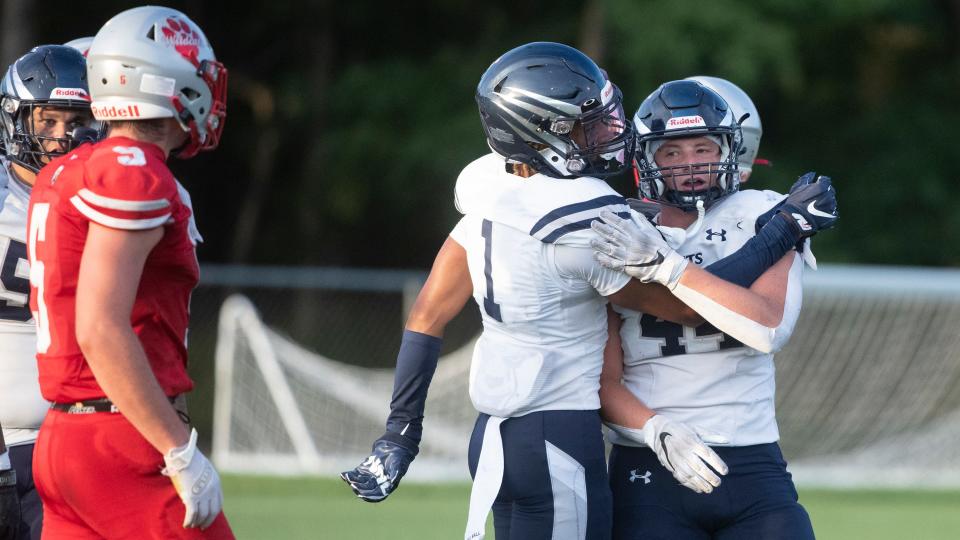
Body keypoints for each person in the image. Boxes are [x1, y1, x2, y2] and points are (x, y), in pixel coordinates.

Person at [341, 44, 833, 540]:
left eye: (703, 148)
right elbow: (691, 310)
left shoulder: (492, 196)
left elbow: (426, 316)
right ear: (545, 131)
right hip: (577, 440)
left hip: (505, 435)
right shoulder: (598, 217)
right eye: (587, 122)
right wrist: (781, 231)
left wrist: (400, 432)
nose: (606, 132)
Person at [592, 79, 836, 539]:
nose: (691, 165)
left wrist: (668, 267)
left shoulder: (762, 213)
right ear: (646, 159)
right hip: (650, 464)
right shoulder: (617, 227)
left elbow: (766, 327)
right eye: (672, 153)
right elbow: (603, 381)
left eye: (703, 148)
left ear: (729, 150)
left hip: (752, 462)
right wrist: (655, 428)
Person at [26, 7, 232, 539]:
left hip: (64, 438)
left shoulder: (66, 170)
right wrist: (177, 449)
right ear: (162, 80)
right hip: (124, 438)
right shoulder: (132, 170)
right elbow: (100, 325)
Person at [0, 44, 99, 540]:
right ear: (17, 120)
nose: (61, 137)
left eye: (75, 121)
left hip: (57, 441)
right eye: (48, 121)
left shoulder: (101, 197)